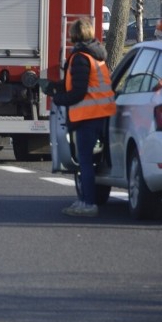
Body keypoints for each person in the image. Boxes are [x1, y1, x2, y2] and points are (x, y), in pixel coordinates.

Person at [43, 18, 116, 217]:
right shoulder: (97, 55)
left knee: (84, 161)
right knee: (89, 161)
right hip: (101, 113)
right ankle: (85, 199)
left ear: (74, 35)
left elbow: (78, 92)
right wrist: (57, 86)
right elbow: (85, 83)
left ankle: (88, 203)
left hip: (87, 115)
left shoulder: (79, 58)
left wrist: (58, 98)